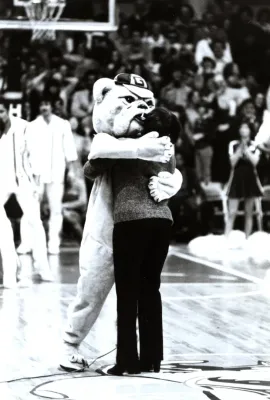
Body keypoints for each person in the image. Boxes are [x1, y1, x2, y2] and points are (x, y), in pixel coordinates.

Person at [85, 107, 180, 375]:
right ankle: (152, 359)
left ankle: (127, 360)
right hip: (162, 220)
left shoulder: (125, 146)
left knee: (127, 293)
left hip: (131, 220)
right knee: (151, 290)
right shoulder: (166, 149)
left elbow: (91, 168)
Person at [0, 97, 52, 288]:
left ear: (8, 111)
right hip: (2, 180)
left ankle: (42, 267)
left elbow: (35, 154)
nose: (0, 116)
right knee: (2, 227)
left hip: (24, 179)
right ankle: (10, 272)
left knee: (35, 222)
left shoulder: (23, 127)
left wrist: (38, 184)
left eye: (1, 111)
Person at [20, 95, 78, 255]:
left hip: (56, 172)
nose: (44, 107)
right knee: (31, 209)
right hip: (37, 173)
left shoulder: (62, 125)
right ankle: (27, 243)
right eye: (42, 104)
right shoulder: (32, 126)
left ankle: (54, 244)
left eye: (47, 104)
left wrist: (71, 171)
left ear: (52, 106)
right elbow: (26, 151)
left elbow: (69, 149)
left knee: (56, 210)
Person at [225, 122, 263, 239]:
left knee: (249, 212)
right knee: (232, 212)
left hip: (250, 178)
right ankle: (226, 238)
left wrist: (246, 150)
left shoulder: (255, 145)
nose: (243, 130)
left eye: (246, 127)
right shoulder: (233, 144)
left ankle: (247, 238)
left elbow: (255, 162)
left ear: (250, 130)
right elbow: (232, 163)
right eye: (241, 127)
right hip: (236, 178)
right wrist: (240, 149)